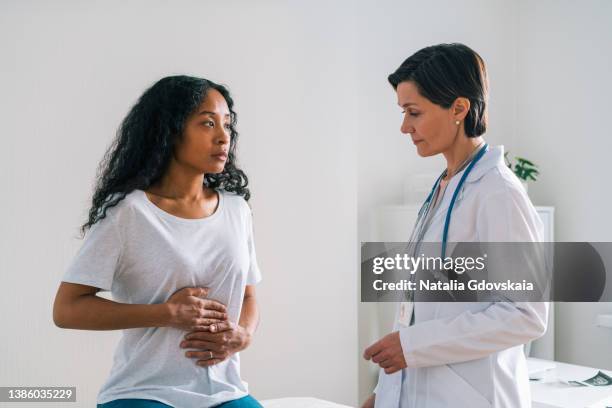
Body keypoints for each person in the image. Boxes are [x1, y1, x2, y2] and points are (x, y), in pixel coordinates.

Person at [53, 75, 263, 408]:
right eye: (207, 124)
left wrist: (244, 335)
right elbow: (67, 310)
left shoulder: (237, 210)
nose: (224, 137)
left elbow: (249, 295)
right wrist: (165, 313)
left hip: (226, 390)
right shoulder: (129, 213)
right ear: (170, 130)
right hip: (144, 392)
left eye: (227, 125)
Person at [361, 44, 548, 407]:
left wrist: (412, 347)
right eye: (403, 112)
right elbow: (419, 311)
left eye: (413, 112)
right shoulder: (445, 188)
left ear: (459, 109)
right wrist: (384, 395)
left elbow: (525, 314)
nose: (404, 127)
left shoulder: (499, 193)